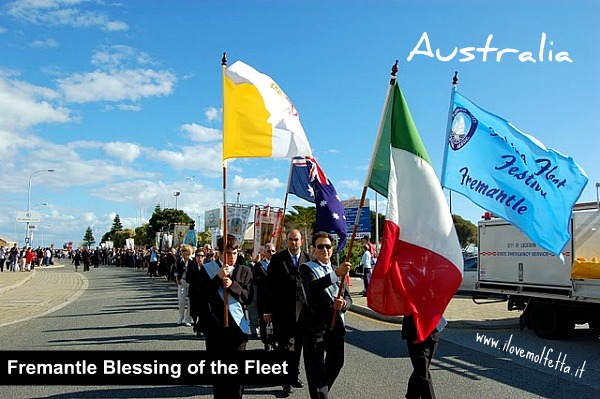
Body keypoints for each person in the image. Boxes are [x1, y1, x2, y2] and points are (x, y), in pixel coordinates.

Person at [199, 234, 253, 399]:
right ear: (219, 253)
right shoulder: (208, 269)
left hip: (237, 330)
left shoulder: (244, 271)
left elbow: (248, 297)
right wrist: (218, 278)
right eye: (228, 253)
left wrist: (232, 286)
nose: (231, 257)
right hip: (215, 330)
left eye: (234, 253)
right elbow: (200, 296)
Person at [299, 231, 352, 399]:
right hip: (316, 328)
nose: (325, 250)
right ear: (313, 249)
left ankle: (321, 391)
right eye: (320, 246)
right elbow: (312, 288)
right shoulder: (307, 269)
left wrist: (344, 304)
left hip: (336, 326)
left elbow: (349, 298)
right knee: (315, 371)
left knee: (336, 363)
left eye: (328, 246)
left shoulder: (340, 271)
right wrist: (336, 274)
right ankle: (320, 395)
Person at [264, 229, 310, 397]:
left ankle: (295, 375)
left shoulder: (308, 259)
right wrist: (267, 310)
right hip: (282, 311)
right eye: (290, 239)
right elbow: (269, 286)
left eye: (296, 239)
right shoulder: (277, 259)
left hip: (302, 312)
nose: (293, 242)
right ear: (286, 241)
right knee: (284, 347)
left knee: (298, 346)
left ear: (301, 241)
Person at [402, 314, 440, 399]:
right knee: (422, 369)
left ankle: (412, 395)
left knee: (420, 369)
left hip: (432, 334)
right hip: (415, 333)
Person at [253, 243, 275, 349]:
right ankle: (266, 341)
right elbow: (255, 280)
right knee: (263, 320)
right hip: (263, 297)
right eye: (269, 251)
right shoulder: (259, 265)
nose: (271, 253)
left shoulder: (279, 264)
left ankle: (275, 340)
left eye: (273, 251)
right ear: (264, 253)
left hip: (275, 297)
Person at [174, 244, 194, 326]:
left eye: (183, 251)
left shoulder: (193, 261)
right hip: (181, 282)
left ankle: (188, 319)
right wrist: (177, 279)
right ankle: (181, 317)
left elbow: (195, 272)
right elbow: (176, 270)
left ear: (188, 251)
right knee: (181, 301)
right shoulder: (179, 260)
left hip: (190, 283)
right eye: (181, 251)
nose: (181, 252)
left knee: (190, 302)